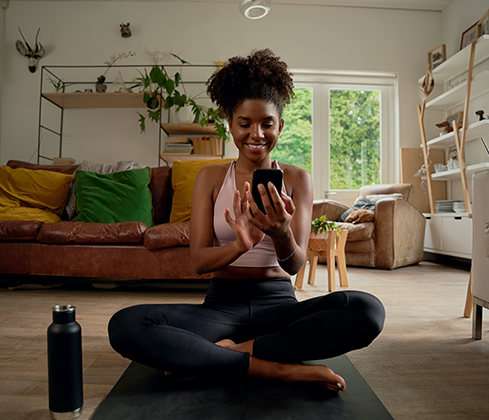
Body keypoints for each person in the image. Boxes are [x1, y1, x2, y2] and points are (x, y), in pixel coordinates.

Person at [108, 49, 385, 392]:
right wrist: (241, 245)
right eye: (245, 123)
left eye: (267, 123)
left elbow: (295, 265)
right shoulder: (210, 178)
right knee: (126, 324)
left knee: (366, 309)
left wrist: (281, 233)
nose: (256, 134)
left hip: (278, 307)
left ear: (280, 126)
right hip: (220, 308)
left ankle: (227, 356)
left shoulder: (297, 179)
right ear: (230, 124)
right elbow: (198, 262)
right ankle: (279, 370)